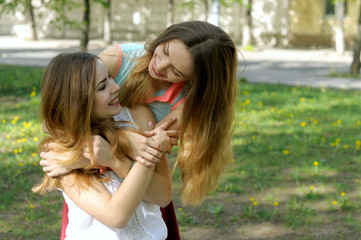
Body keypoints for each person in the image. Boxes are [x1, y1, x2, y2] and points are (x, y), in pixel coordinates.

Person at [40, 20, 238, 238]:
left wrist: (110, 156)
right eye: (164, 51)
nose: (159, 66)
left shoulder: (184, 105)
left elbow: (154, 163)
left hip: (144, 193)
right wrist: (125, 141)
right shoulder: (117, 61)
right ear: (162, 38)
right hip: (95, 198)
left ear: (194, 80)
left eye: (175, 70)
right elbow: (61, 109)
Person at [33, 52, 178, 239]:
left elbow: (163, 197)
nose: (116, 87)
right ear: (78, 102)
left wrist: (116, 161)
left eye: (109, 77)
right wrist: (151, 151)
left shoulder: (138, 118)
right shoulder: (63, 152)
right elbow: (116, 215)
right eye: (102, 87)